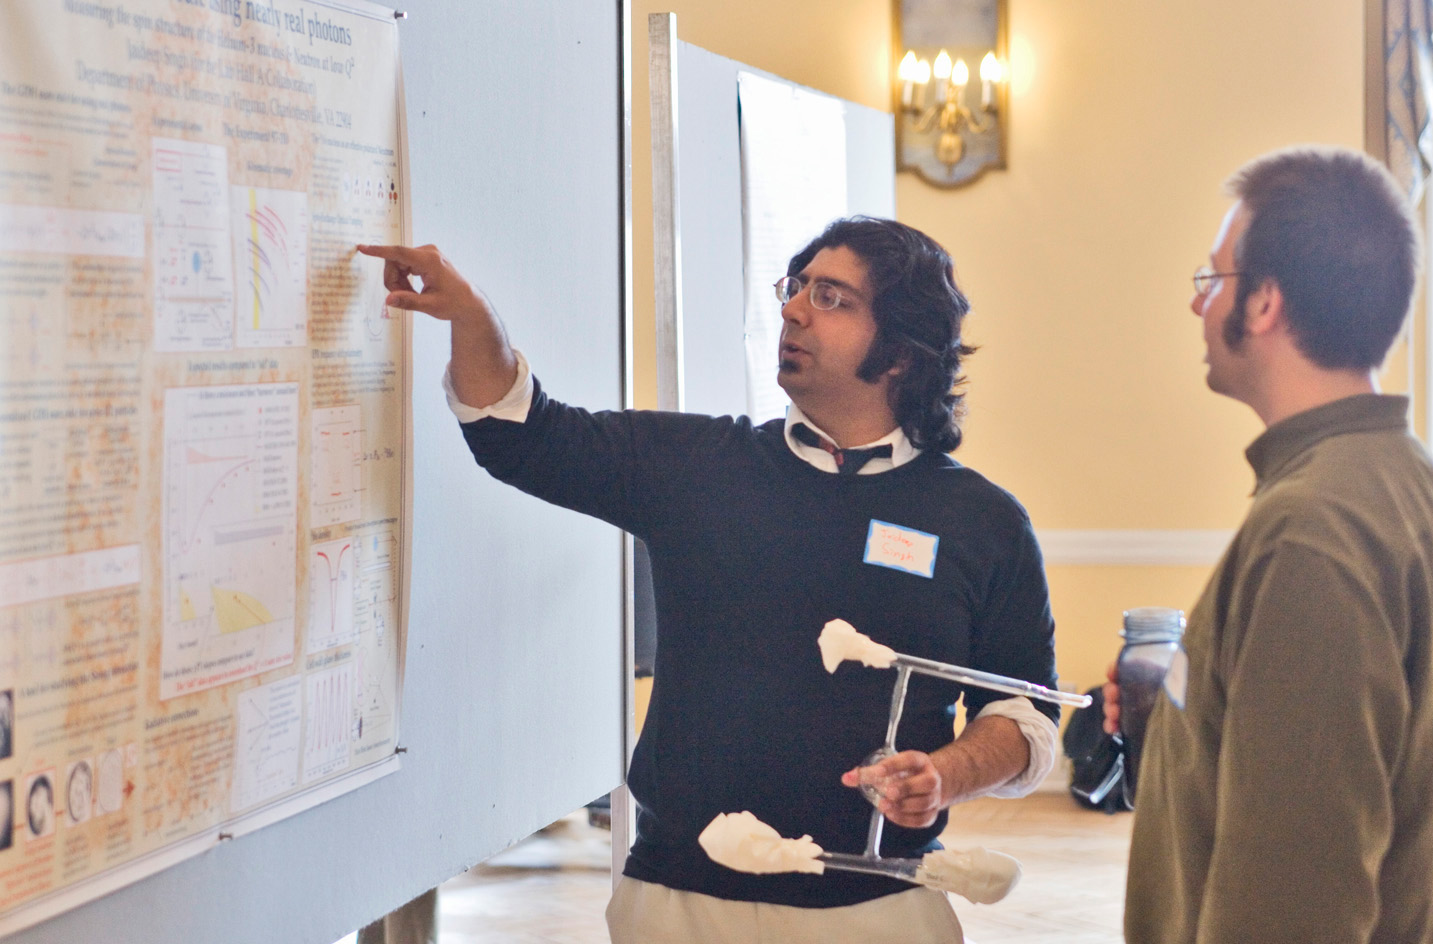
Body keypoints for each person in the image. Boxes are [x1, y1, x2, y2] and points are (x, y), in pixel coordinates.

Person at [360, 217, 1060, 943]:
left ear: (903, 353)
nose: (793, 309)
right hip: (677, 903)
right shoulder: (701, 467)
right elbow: (519, 432)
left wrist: (947, 772)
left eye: (832, 298)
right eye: (796, 288)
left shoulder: (983, 522)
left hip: (880, 909)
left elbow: (1025, 716)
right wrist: (475, 315)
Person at [1103, 146, 1433, 943]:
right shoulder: (1415, 492)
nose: (1197, 308)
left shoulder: (1315, 534)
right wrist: (1180, 723)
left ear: (1265, 304)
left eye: (1211, 282)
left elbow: (1293, 902)